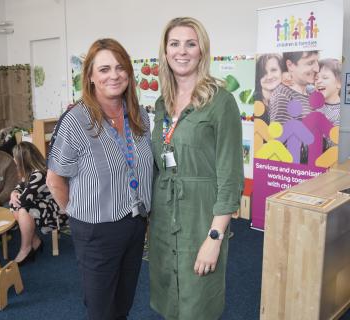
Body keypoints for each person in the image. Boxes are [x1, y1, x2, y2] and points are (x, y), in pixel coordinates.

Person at [46, 38, 153, 320]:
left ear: (129, 73)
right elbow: (55, 179)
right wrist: (77, 213)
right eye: (104, 69)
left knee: (124, 300)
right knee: (101, 308)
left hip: (134, 222)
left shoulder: (140, 117)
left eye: (120, 67)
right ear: (91, 77)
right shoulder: (75, 121)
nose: (114, 75)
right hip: (96, 230)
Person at [149, 17, 244, 320]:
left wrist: (214, 238)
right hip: (164, 218)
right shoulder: (162, 104)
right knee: (169, 297)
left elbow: (230, 177)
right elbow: (158, 162)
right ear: (165, 52)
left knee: (198, 300)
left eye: (191, 43)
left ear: (202, 50)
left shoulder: (221, 102)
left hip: (201, 219)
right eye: (174, 44)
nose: (182, 51)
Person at [9, 142, 67, 264]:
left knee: (23, 208)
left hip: (57, 211)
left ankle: (25, 248)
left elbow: (25, 199)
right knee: (15, 204)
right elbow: (20, 187)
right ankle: (34, 241)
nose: (13, 159)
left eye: (14, 157)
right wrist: (13, 193)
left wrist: (17, 196)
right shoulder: (31, 171)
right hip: (44, 206)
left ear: (21, 159)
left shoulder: (40, 173)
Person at [268, 50, 319, 123]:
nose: (317, 69)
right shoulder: (283, 96)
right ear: (290, 65)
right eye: (310, 63)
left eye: (317, 62)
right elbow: (278, 133)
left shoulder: (311, 91)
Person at [254, 53, 285, 124]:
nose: (269, 77)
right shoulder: (253, 101)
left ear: (282, 71)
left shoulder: (290, 99)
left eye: (273, 70)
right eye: (264, 72)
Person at [315, 58, 341, 126]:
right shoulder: (312, 98)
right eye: (316, 78)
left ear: (339, 83)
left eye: (325, 77)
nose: (318, 81)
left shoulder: (341, 114)